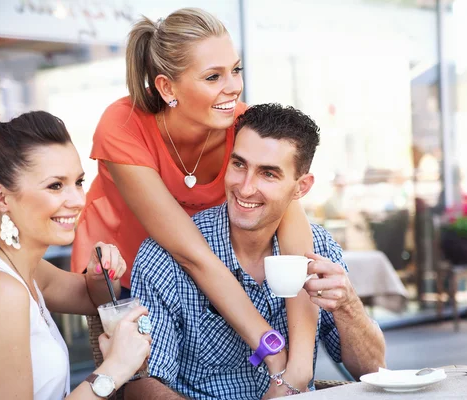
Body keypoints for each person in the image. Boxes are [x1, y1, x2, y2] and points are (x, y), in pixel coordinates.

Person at [71, 7, 317, 390]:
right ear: (168, 88)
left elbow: (295, 246)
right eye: (213, 77)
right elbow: (190, 254)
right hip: (128, 280)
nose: (233, 87)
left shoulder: (245, 124)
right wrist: (273, 349)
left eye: (236, 70)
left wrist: (298, 367)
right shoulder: (122, 127)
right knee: (145, 388)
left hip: (211, 277)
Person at [129, 104, 386, 399]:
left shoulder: (319, 247)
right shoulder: (163, 257)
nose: (246, 188)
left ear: (301, 187)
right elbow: (142, 385)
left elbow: (373, 370)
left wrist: (348, 307)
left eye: (268, 174)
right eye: (239, 165)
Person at [0, 110, 152, 399]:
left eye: (78, 182)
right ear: (1, 197)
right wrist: (114, 369)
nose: (78, 200)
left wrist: (98, 273)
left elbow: (97, 301)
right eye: (55, 185)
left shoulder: (23, 269)